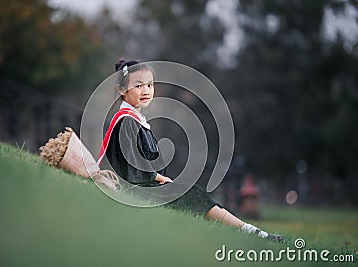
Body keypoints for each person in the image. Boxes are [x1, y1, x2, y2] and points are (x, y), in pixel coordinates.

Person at [98, 59, 283, 242]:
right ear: (122, 90)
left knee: (191, 194)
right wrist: (161, 179)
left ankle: (250, 230)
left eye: (150, 85)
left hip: (144, 186)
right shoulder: (125, 121)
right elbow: (133, 168)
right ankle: (251, 231)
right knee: (189, 194)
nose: (146, 91)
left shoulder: (136, 120)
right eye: (138, 86)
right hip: (134, 190)